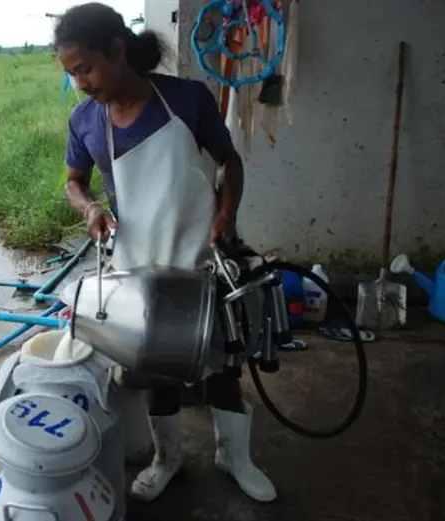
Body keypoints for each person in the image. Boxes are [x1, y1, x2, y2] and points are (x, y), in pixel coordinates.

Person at [54, 2, 277, 504]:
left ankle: (234, 457)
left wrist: (225, 215)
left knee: (222, 364)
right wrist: (89, 206)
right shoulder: (86, 121)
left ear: (117, 49)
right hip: (139, 265)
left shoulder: (186, 98)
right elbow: (73, 181)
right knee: (158, 366)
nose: (81, 83)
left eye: (85, 68)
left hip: (202, 254)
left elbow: (229, 161)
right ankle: (168, 457)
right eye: (71, 74)